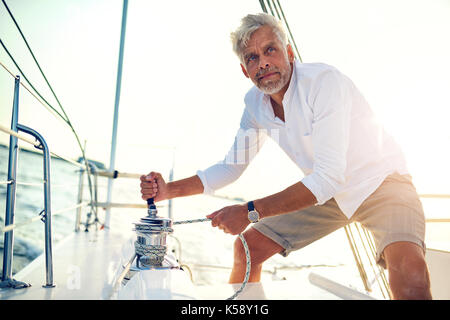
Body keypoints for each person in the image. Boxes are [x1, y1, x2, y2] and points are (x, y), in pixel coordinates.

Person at [140, 13, 432, 300]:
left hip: (381, 183)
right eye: (252, 57)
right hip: (327, 191)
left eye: (270, 50)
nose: (263, 62)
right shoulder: (255, 105)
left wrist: (249, 211)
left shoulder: (324, 82)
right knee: (247, 249)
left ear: (289, 53)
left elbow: (328, 177)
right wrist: (168, 190)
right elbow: (230, 167)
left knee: (412, 277)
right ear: (245, 70)